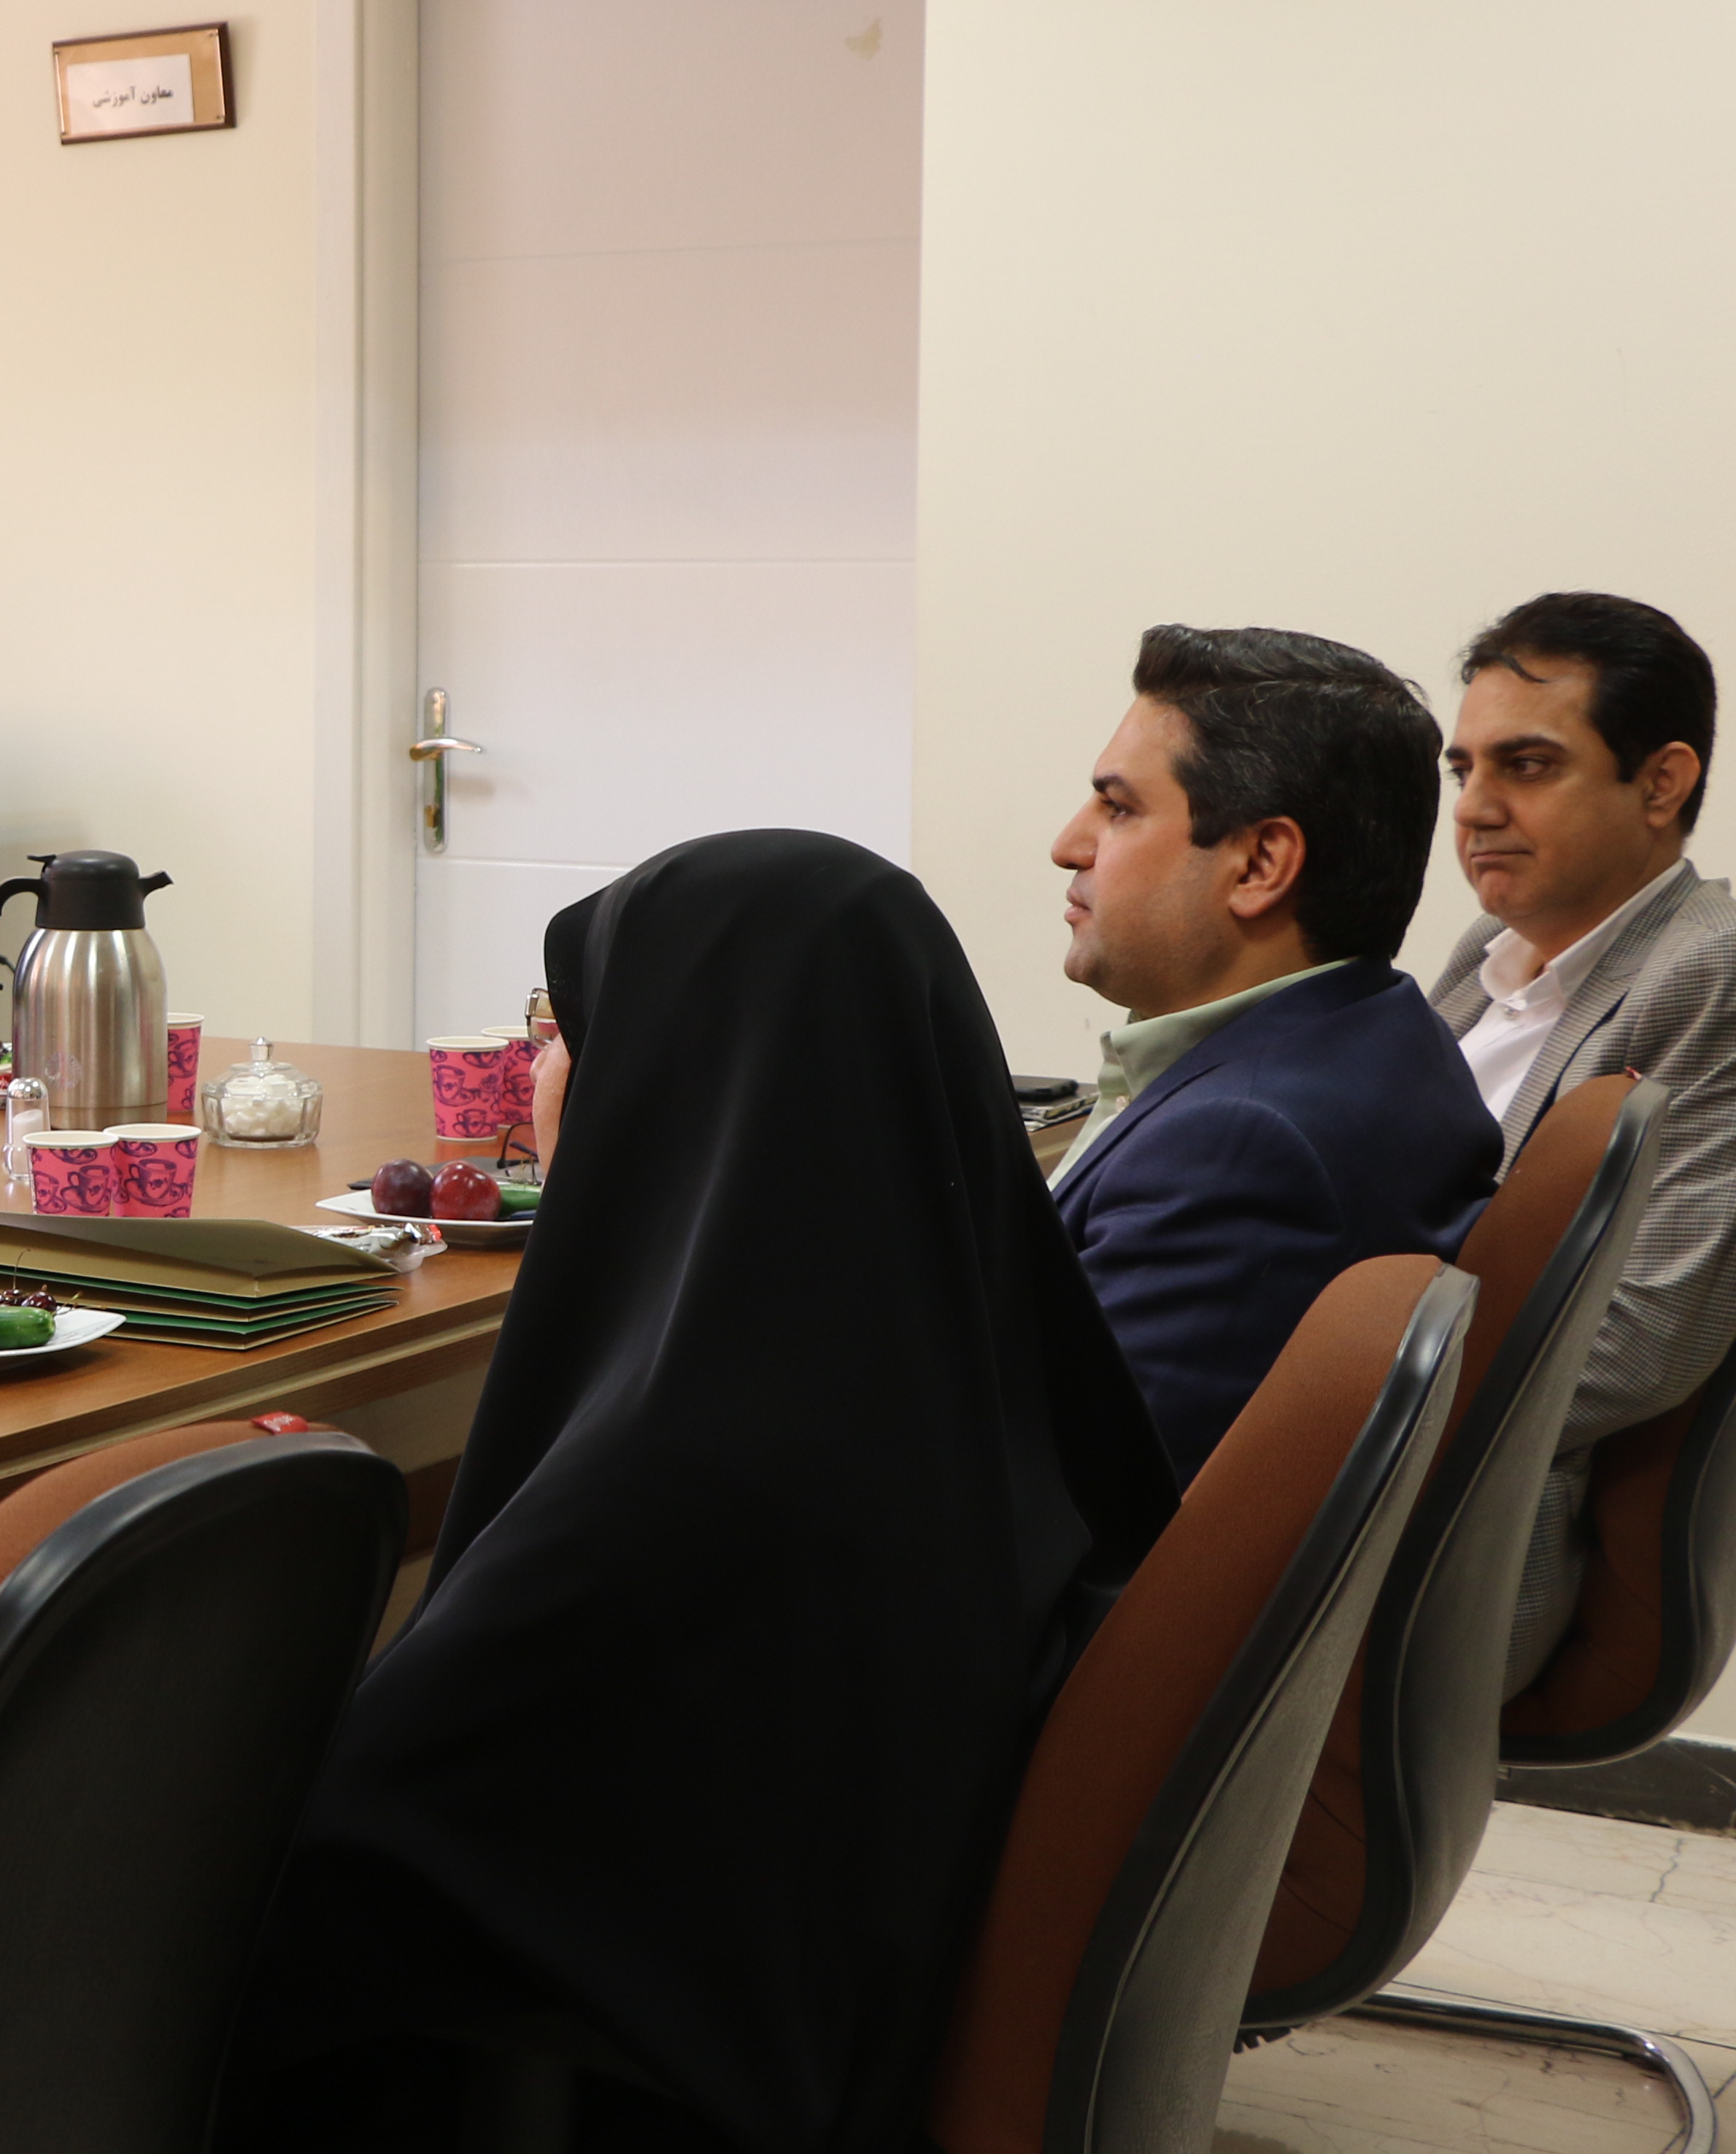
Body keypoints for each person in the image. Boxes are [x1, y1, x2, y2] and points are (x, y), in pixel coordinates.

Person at [230, 831, 1180, 2154]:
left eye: (570, 1035)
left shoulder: (664, 1500)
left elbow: (344, 1856)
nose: (544, 1074)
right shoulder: (963, 1395)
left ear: (671, 1076)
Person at [1429, 593, 1736, 1690]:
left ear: (1662, 782)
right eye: (1464, 769)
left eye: (1526, 765)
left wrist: (1319, 1403)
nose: (1475, 808)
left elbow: (1638, 1338)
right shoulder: (1489, 950)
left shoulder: (1725, 974)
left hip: (1453, 1531)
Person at [1045, 626, 1497, 1480]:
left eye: (1119, 807)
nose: (1069, 844)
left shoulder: (1239, 1146)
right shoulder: (1381, 1028)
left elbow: (1061, 1491)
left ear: (1259, 864)